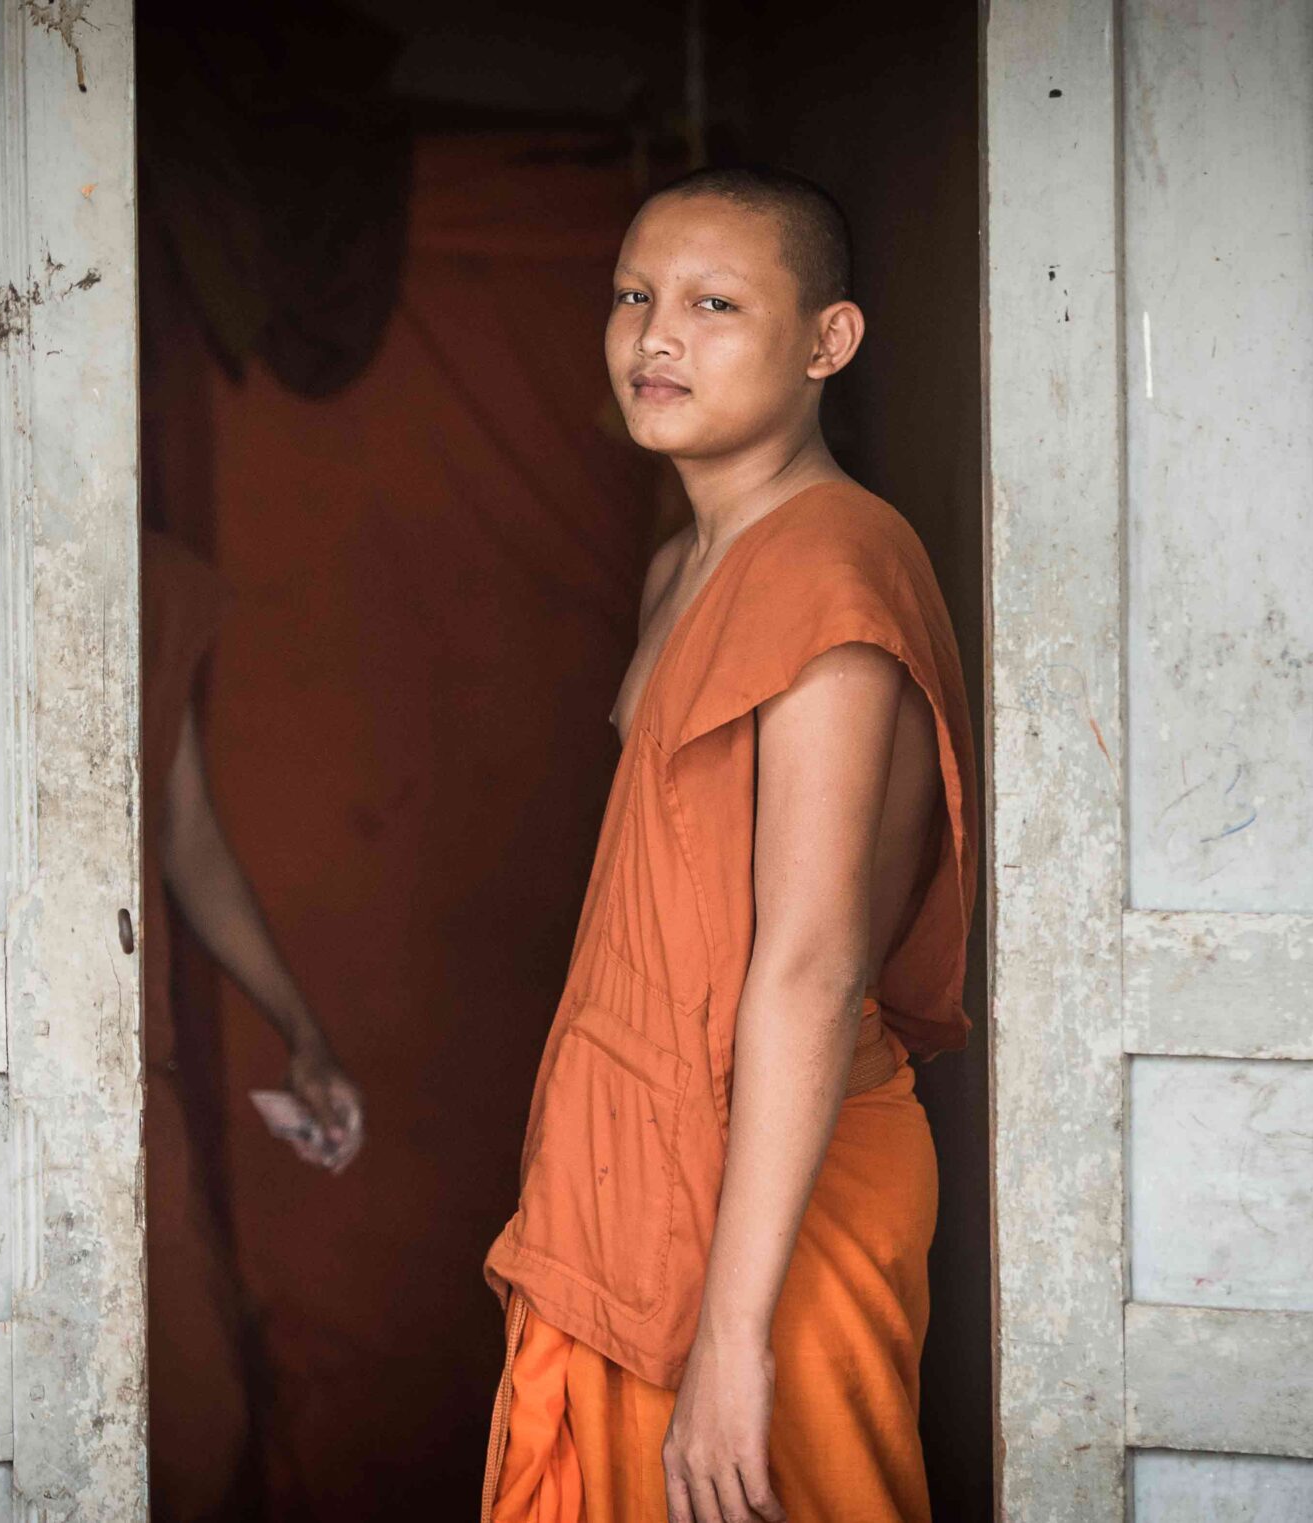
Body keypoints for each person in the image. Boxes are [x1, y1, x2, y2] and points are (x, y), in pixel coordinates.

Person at [478, 165, 977, 1523]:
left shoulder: (834, 561)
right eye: (636, 296)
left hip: (783, 1191)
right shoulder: (679, 564)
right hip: (646, 1165)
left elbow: (811, 961)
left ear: (829, 341)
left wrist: (734, 1337)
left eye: (713, 304)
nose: (656, 337)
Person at [138, 529, 365, 1522]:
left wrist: (301, 1028)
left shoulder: (139, 579)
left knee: (191, 1422)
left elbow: (179, 829)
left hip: (109, 1065)